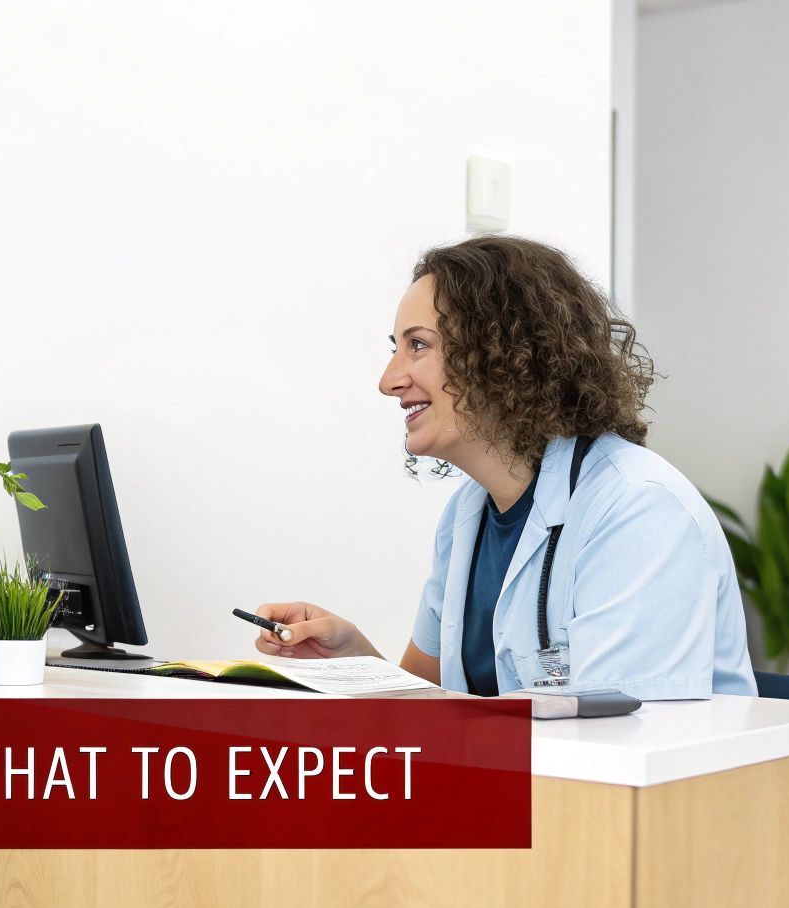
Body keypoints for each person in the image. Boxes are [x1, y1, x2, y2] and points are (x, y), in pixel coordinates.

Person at [255, 236, 755, 701]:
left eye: (418, 345)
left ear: (502, 352)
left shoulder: (638, 509)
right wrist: (350, 657)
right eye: (396, 349)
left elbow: (619, 743)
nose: (389, 381)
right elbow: (427, 702)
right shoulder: (466, 516)